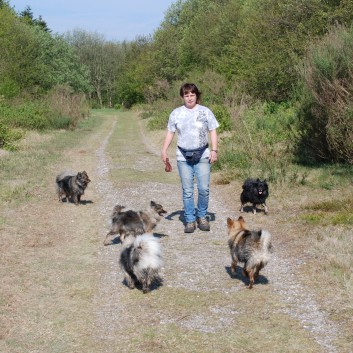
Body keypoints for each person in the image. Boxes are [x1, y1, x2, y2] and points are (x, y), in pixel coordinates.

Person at [161, 83, 219, 233]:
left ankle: (202, 216)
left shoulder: (206, 112)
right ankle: (190, 219)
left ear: (196, 96)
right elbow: (170, 133)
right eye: (186, 95)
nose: (189, 98)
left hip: (202, 154)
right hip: (183, 156)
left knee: (203, 189)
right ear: (182, 97)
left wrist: (214, 150)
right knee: (187, 190)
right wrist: (164, 150)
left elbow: (212, 130)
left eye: (192, 94)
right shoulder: (176, 113)